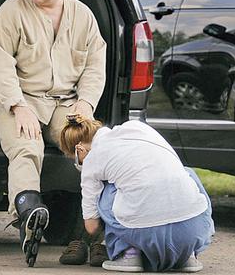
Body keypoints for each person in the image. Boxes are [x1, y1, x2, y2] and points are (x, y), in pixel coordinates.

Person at [0, 0, 106, 266]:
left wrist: (86, 103)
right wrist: (16, 104)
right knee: (27, 145)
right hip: (17, 99)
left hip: (66, 102)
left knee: (88, 145)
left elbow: (95, 64)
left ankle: (96, 233)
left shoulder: (83, 17)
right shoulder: (11, 11)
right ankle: (28, 212)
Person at [59, 114, 215, 272]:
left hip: (146, 233)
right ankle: (188, 255)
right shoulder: (138, 128)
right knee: (186, 174)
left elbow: (91, 227)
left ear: (79, 149)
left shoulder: (92, 160)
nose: (79, 164)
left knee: (107, 190)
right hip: (192, 230)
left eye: (77, 160)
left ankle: (128, 254)